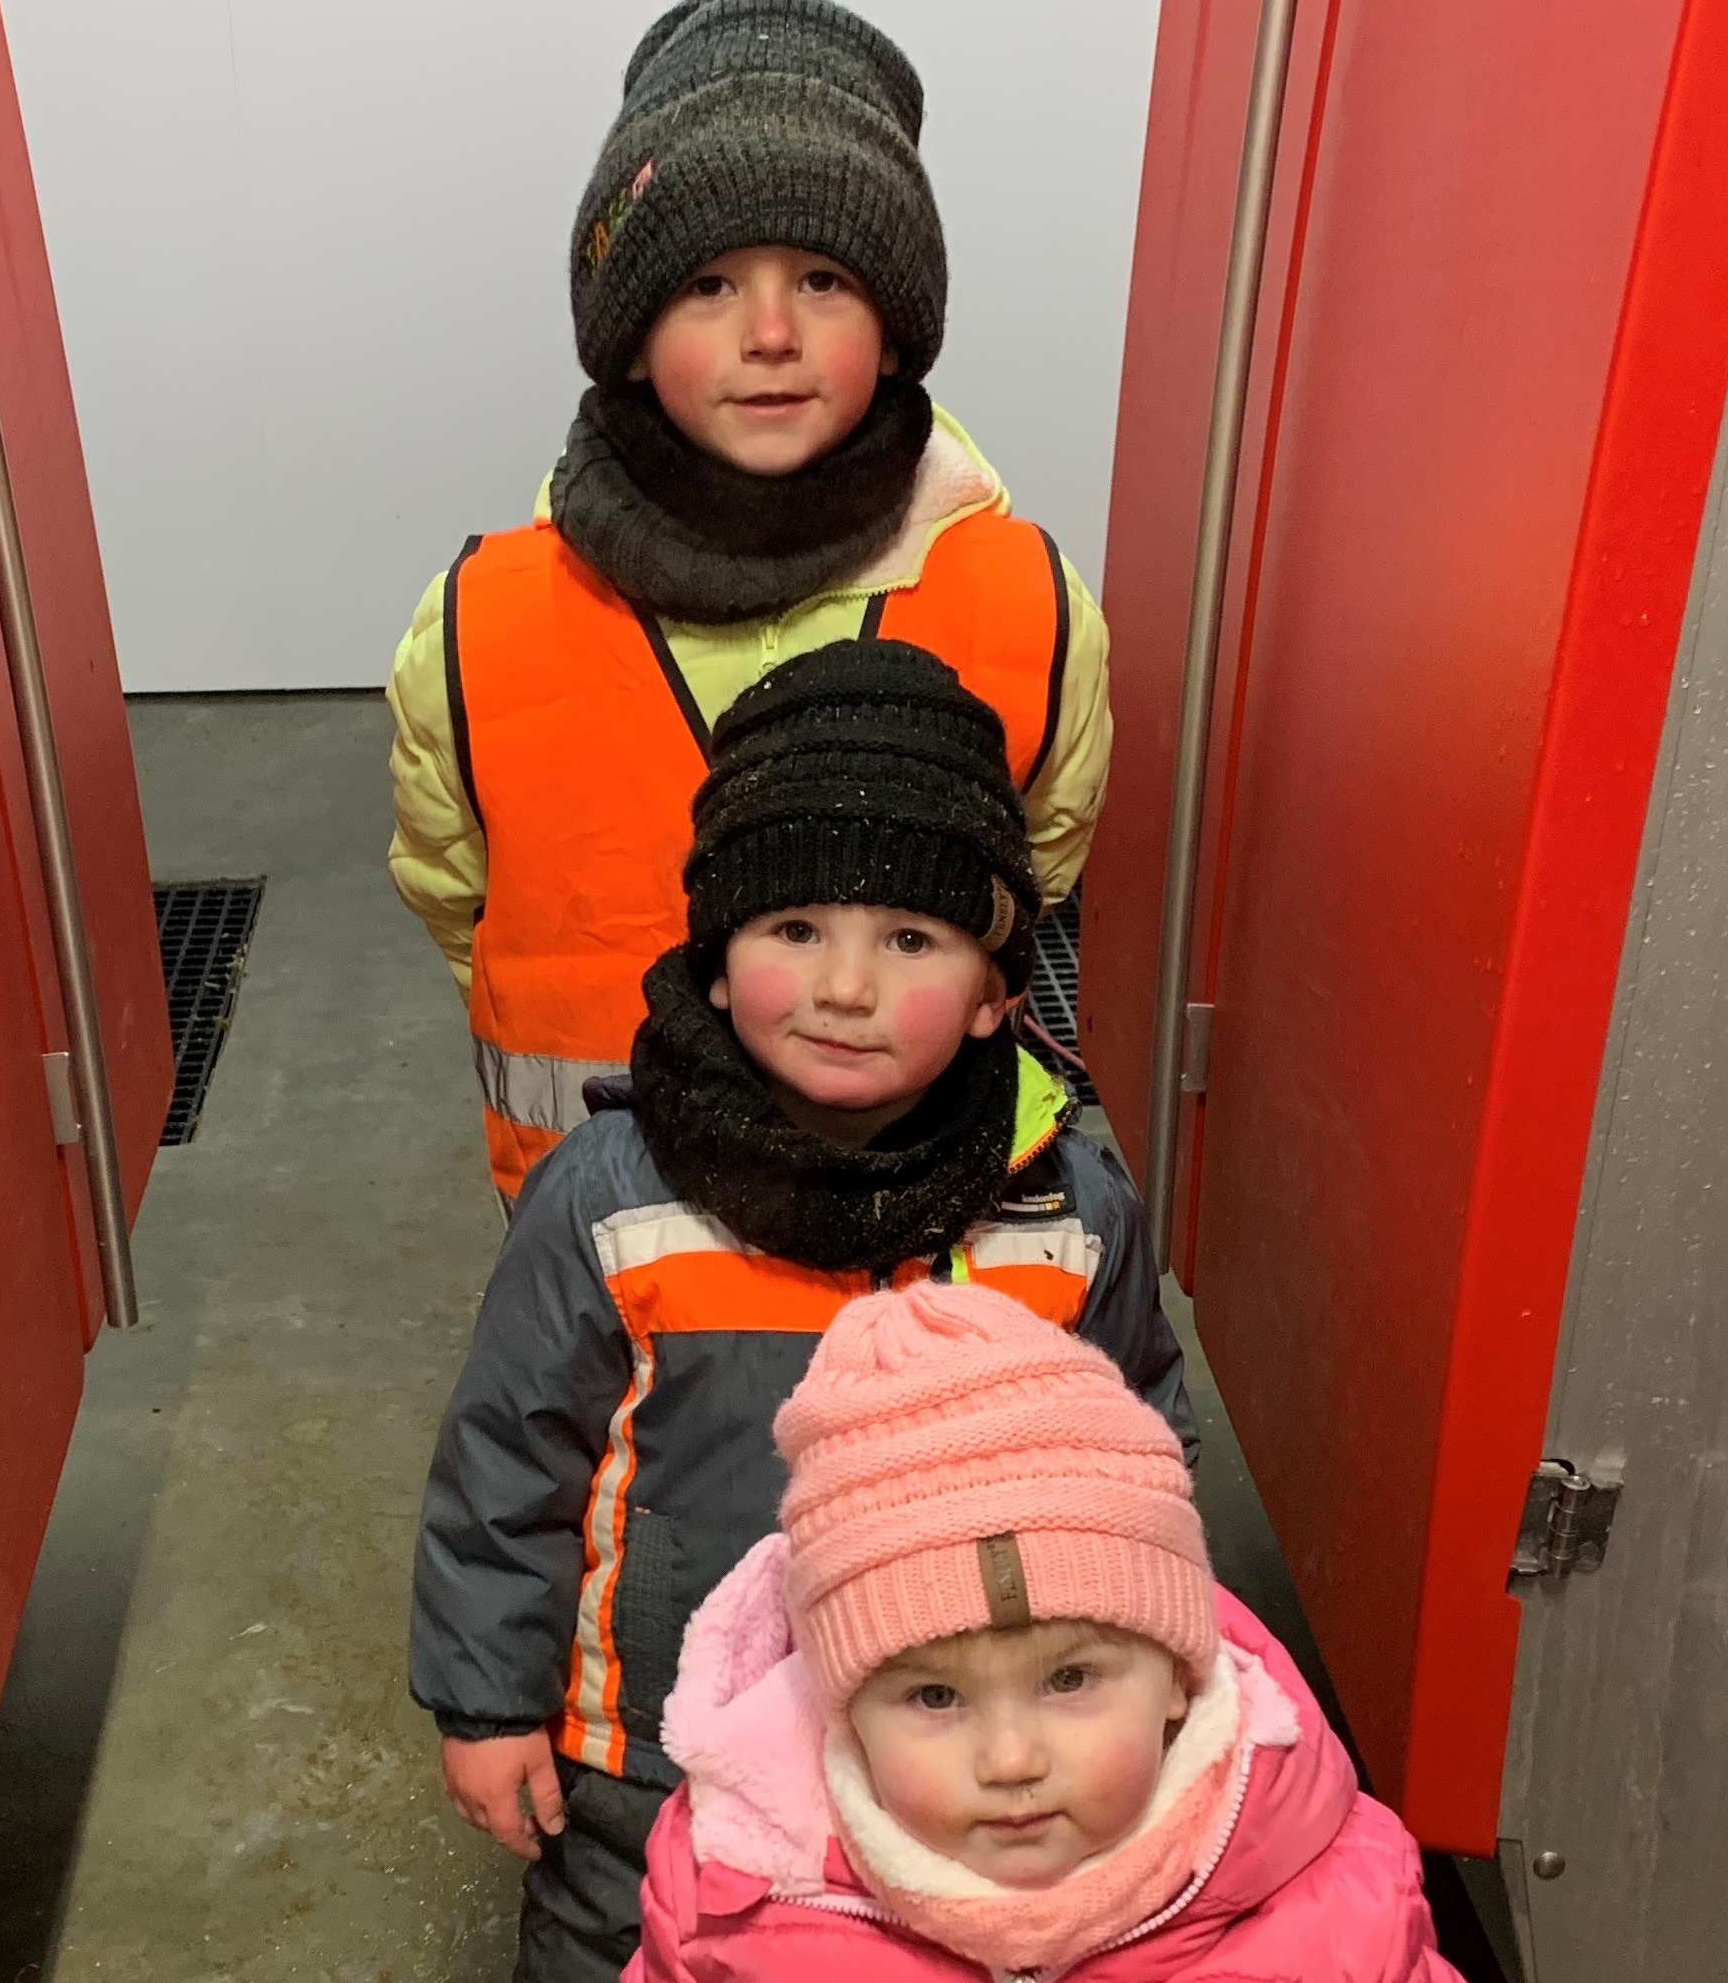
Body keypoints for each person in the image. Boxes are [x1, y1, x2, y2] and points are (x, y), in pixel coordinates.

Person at [409, 643, 1187, 1983]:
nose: (844, 985)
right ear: (714, 958)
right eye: (794, 929)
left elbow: (1142, 1465)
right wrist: (486, 1702)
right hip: (655, 1759)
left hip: (958, 1742)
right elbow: (506, 1464)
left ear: (1002, 985)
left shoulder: (1067, 1210)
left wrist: (1152, 1686)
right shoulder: (607, 1195)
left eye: (911, 937)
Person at [384, 0, 1116, 1202]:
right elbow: (454, 891)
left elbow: (1030, 863)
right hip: (605, 1245)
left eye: (824, 277)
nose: (768, 332)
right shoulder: (480, 624)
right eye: (707, 284)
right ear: (625, 334)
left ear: (895, 326)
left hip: (916, 1223)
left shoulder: (1024, 603)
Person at [630, 1280, 1464, 1983]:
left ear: (1178, 1671)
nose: (1011, 1762)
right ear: (841, 1707)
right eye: (933, 1694)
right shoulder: (730, 1898)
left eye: (1070, 1679)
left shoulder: (1335, 1901)